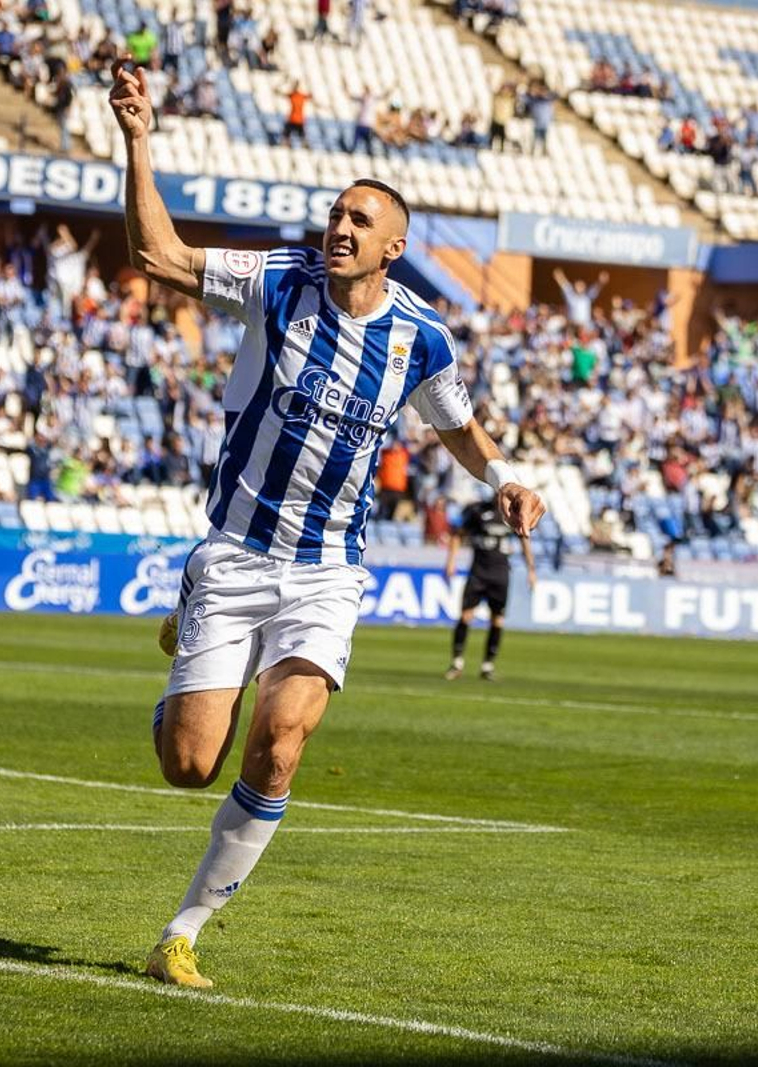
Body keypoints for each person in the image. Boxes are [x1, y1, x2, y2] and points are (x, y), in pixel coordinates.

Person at [109, 56, 545, 990]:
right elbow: (160, 257)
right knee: (190, 765)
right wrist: (139, 141)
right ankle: (191, 622)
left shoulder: (422, 335)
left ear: (394, 249)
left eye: (360, 221)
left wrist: (504, 474)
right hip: (235, 548)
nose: (337, 227)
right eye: (337, 213)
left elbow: (454, 420)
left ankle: (181, 932)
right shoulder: (279, 281)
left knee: (283, 741)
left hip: (327, 570)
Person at [444, 491, 535, 681]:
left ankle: (487, 666)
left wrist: (531, 570)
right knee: (466, 615)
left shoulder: (512, 514)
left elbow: (524, 539)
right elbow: (458, 535)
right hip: (478, 572)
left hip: (500, 574)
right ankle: (457, 662)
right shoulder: (478, 511)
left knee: (497, 620)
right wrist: (451, 561)